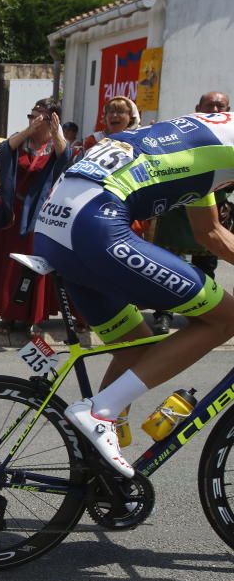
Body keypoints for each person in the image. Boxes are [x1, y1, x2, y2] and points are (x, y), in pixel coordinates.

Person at [33, 111, 234, 478]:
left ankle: (99, 474)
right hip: (95, 224)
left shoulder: (204, 138)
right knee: (227, 318)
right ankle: (100, 411)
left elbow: (210, 234)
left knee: (136, 346)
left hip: (56, 227)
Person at [0, 98, 70, 335]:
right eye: (32, 115)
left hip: (38, 215)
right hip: (13, 212)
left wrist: (55, 130)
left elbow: (65, 158)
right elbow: (6, 150)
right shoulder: (22, 140)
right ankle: (8, 315)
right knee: (9, 265)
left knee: (34, 266)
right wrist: (29, 129)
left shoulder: (55, 145)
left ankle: (33, 317)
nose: (34, 119)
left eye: (40, 116)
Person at [149, 91, 231, 335]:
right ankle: (163, 315)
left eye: (221, 106)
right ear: (198, 107)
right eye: (210, 105)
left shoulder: (228, 137)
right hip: (177, 209)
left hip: (212, 210)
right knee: (169, 269)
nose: (215, 110)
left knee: (206, 269)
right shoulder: (180, 132)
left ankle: (200, 314)